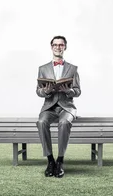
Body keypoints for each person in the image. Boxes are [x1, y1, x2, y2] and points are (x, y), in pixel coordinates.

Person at [35, 35, 81, 178]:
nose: (58, 47)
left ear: (65, 47)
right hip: (49, 106)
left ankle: (60, 161)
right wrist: (46, 91)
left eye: (61, 45)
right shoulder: (42, 68)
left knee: (64, 122)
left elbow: (78, 91)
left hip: (67, 106)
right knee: (41, 122)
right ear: (51, 47)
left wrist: (69, 91)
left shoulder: (73, 69)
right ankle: (50, 161)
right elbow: (38, 91)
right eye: (55, 45)